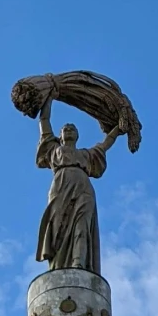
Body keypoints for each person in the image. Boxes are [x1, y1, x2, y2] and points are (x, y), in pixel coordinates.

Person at [34, 98, 119, 272]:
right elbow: (44, 121)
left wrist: (119, 127)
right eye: (66, 129)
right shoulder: (53, 150)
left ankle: (78, 262)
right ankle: (58, 267)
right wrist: (47, 98)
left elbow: (106, 144)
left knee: (82, 226)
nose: (69, 130)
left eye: (72, 129)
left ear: (77, 135)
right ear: (61, 135)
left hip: (83, 188)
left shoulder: (86, 154)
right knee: (58, 229)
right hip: (60, 186)